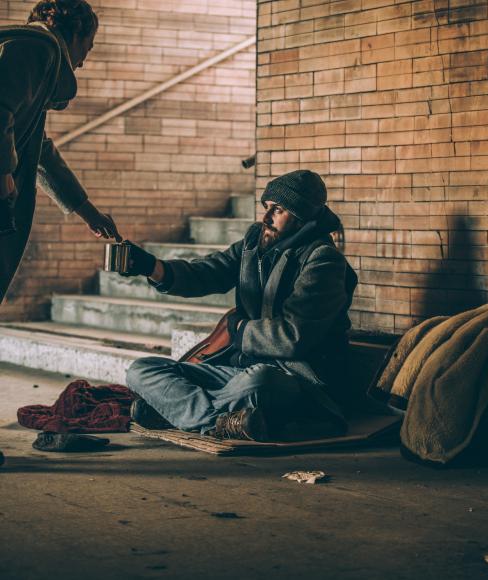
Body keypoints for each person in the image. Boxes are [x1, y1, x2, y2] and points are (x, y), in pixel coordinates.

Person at [125, 170, 358, 441]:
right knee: (141, 370)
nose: (265, 218)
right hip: (237, 369)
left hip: (296, 378)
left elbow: (292, 337)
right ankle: (218, 422)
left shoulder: (323, 261)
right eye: (266, 207)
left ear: (301, 216)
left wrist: (238, 329)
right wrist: (151, 267)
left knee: (258, 382)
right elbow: (205, 274)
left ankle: (178, 413)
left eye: (278, 210)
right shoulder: (253, 243)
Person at [0, 0, 120, 303]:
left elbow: (37, 148)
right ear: (76, 34)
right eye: (88, 48)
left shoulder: (35, 54)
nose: (83, 62)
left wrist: (87, 211)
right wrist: (3, 174)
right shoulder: (37, 48)